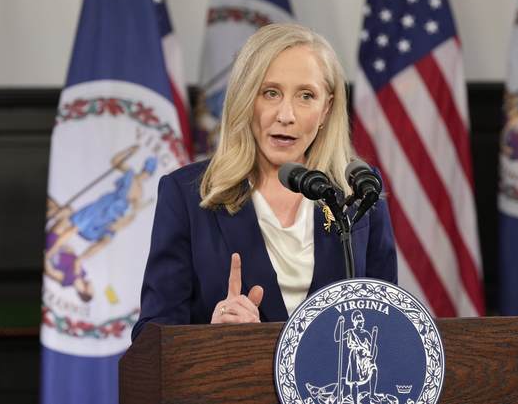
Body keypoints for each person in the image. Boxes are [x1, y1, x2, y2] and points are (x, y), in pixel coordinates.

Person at [132, 23, 397, 339]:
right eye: (271, 93)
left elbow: (388, 326)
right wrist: (211, 336)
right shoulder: (188, 194)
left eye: (306, 96)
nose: (286, 115)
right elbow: (151, 337)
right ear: (245, 98)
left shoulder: (359, 192)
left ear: (326, 108)